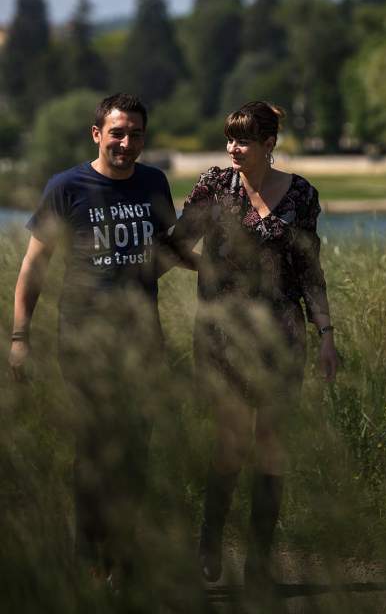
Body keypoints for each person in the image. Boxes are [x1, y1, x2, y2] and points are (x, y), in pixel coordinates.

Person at [8, 93, 179, 581]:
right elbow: (34, 266)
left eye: (136, 134)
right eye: (118, 132)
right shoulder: (67, 187)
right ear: (97, 133)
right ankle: (89, 557)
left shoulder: (153, 182)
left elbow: (164, 251)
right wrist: (20, 337)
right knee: (96, 448)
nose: (127, 143)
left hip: (144, 341)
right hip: (83, 342)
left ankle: (124, 559)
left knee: (136, 452)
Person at [172, 100, 337, 593]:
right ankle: (209, 541)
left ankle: (260, 562)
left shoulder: (302, 195)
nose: (232, 148)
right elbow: (177, 242)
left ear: (269, 144)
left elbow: (310, 269)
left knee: (270, 446)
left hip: (283, 337)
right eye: (229, 139)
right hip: (222, 337)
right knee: (231, 441)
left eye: (243, 140)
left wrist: (327, 334)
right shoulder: (214, 186)